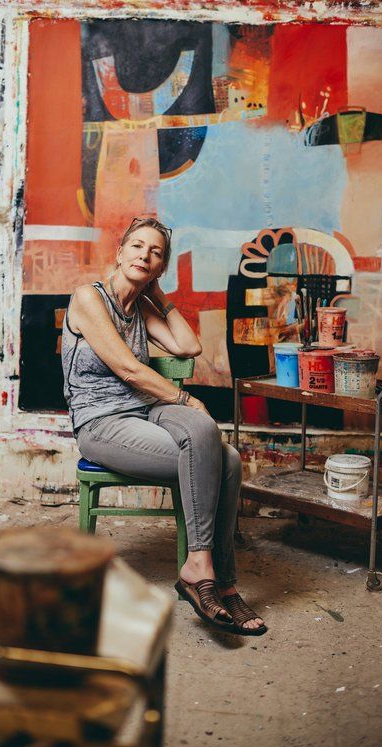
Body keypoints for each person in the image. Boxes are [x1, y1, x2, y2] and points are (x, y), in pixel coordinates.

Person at [62, 217, 267, 635]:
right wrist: (187, 398)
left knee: (222, 452)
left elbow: (189, 346)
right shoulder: (88, 298)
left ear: (160, 269)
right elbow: (127, 368)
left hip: (144, 411)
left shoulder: (140, 308)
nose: (144, 255)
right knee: (217, 458)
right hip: (101, 423)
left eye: (156, 253)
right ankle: (207, 574)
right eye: (136, 246)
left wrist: (159, 296)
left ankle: (214, 579)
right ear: (119, 253)